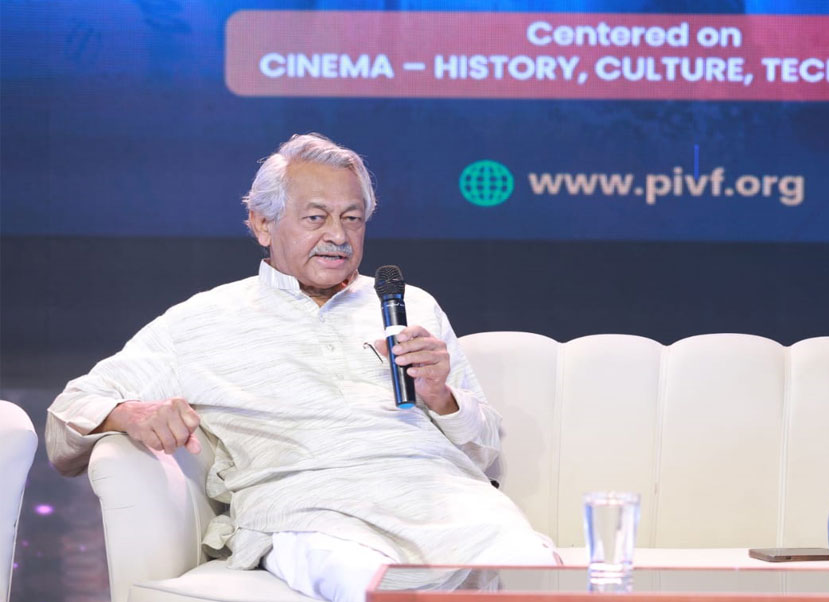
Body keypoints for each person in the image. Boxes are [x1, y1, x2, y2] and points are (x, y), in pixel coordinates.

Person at [46, 133, 557, 602]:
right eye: (316, 218)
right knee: (363, 584)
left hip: (446, 501)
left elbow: (486, 457)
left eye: (352, 219)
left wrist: (442, 397)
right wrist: (129, 414)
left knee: (537, 568)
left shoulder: (411, 306)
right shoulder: (200, 321)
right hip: (315, 514)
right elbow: (68, 411)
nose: (338, 235)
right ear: (262, 224)